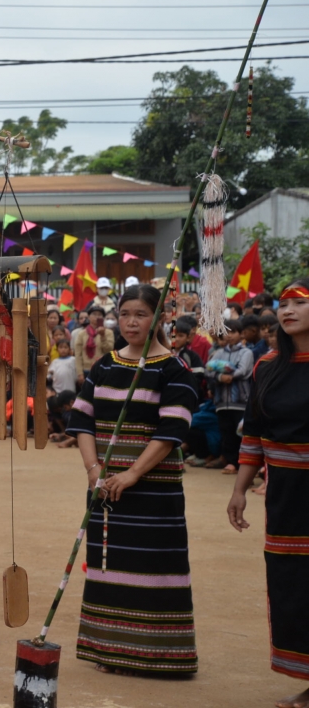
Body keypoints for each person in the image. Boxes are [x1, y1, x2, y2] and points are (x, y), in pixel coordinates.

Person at [68, 283, 200, 675]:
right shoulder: (105, 365)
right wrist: (96, 472)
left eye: (141, 314)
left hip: (154, 490)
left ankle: (156, 653)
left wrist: (133, 473)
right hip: (105, 489)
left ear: (159, 319)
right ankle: (109, 648)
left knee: (153, 567)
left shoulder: (174, 369)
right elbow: (81, 421)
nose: (130, 322)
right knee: (109, 563)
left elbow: (172, 431)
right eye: (125, 314)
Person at [229, 279, 309, 708]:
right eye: (284, 304)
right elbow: (255, 434)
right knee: (291, 583)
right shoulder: (267, 366)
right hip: (285, 496)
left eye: (299, 303)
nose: (288, 310)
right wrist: (240, 489)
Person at [205, 319, 253, 475]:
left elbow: (244, 371)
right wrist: (220, 378)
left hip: (239, 400)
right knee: (227, 433)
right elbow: (208, 370)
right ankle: (231, 462)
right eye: (227, 332)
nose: (230, 336)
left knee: (241, 433)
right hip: (221, 401)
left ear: (241, 334)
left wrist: (227, 375)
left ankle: (243, 463)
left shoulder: (246, 352)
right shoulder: (219, 352)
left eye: (233, 332)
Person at [72, 305, 114, 387]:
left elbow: (109, 351)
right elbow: (78, 355)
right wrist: (80, 373)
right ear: (89, 316)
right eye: (94, 314)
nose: (97, 317)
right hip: (86, 370)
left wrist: (103, 336)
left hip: (103, 369)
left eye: (99, 315)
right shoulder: (82, 334)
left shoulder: (108, 332)